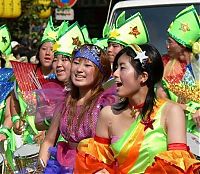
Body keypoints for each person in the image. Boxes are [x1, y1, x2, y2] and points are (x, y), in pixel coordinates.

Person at [75, 44, 200, 173]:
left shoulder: (171, 112)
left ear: (143, 76)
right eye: (116, 67)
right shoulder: (108, 114)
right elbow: (95, 161)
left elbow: (177, 166)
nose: (115, 73)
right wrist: (98, 170)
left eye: (122, 68)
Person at [37, 44, 117, 173]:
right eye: (76, 63)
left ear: (100, 72)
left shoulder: (105, 103)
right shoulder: (64, 101)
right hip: (63, 165)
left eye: (87, 65)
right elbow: (48, 141)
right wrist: (40, 170)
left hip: (95, 167)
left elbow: (116, 145)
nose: (79, 69)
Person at [157, 5, 200, 140]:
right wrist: (187, 108)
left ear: (182, 44)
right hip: (178, 128)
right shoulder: (164, 65)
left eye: (170, 42)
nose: (167, 46)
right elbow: (160, 98)